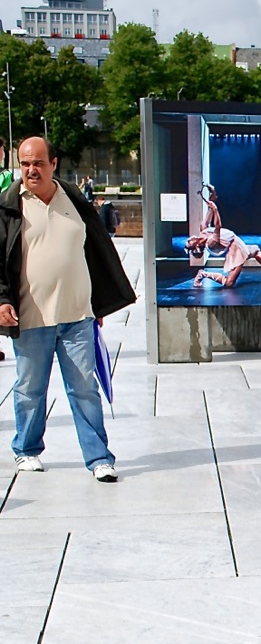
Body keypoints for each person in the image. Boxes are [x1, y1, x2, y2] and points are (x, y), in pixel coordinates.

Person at [0, 137, 136, 481]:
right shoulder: (8, 206)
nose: (32, 170)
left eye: (39, 163)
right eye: (26, 163)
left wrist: (100, 301)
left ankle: (99, 458)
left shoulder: (73, 198)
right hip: (32, 317)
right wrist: (2, 300)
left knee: (85, 389)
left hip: (77, 315)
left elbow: (97, 252)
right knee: (30, 389)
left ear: (54, 163)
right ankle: (27, 451)